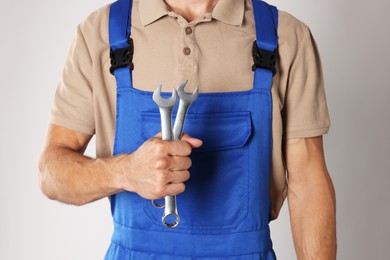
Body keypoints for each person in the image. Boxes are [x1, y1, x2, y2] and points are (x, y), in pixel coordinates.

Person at [39, 0, 336, 259]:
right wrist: (126, 172)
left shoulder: (286, 36)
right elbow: (51, 175)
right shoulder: (99, 33)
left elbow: (308, 182)